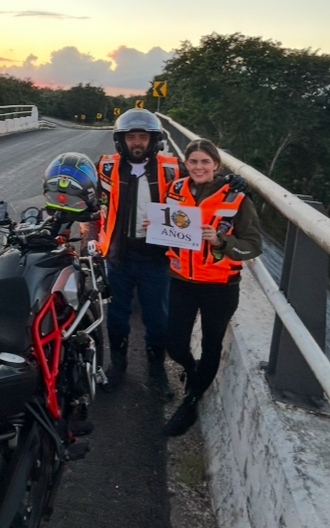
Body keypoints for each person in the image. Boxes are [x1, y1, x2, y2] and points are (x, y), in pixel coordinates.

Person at [163, 138, 262, 437]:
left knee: (211, 344)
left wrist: (222, 242)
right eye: (193, 161)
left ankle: (192, 400)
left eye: (205, 161)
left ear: (216, 165)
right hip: (182, 281)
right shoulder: (176, 190)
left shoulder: (236, 198)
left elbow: (253, 245)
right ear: (186, 163)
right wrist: (154, 229)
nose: (198, 167)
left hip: (220, 285)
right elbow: (171, 227)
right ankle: (194, 373)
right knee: (176, 344)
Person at [86, 108, 181, 397]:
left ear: (154, 140)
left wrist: (233, 186)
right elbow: (89, 201)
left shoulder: (173, 168)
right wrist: (89, 235)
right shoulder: (105, 167)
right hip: (118, 255)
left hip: (157, 256)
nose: (137, 143)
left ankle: (156, 372)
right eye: (131, 137)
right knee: (116, 314)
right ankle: (117, 366)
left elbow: (204, 183)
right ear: (121, 140)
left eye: (143, 137)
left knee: (158, 318)